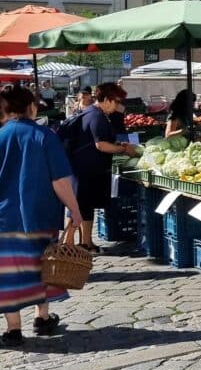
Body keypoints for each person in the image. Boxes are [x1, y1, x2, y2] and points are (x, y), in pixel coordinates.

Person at [0, 87, 84, 348]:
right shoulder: (43, 136)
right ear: (31, 107)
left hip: (4, 218)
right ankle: (43, 317)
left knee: (7, 274)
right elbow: (60, 180)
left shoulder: (1, 135)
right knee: (45, 266)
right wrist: (76, 210)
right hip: (41, 215)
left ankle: (13, 329)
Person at [73, 83, 134, 252]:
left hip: (87, 169)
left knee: (87, 206)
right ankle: (81, 245)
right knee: (83, 206)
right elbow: (101, 145)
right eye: (116, 102)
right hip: (86, 170)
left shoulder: (94, 113)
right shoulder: (96, 116)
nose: (117, 106)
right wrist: (124, 149)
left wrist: (119, 144)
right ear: (106, 99)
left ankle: (87, 242)